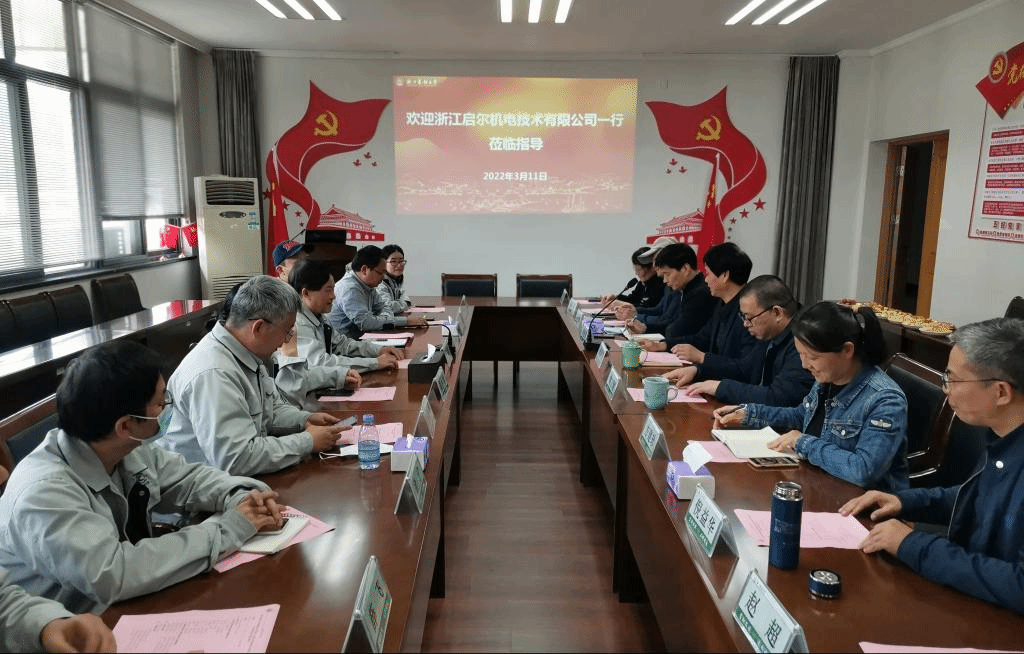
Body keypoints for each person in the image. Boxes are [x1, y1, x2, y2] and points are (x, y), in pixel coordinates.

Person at [0, 341, 285, 614]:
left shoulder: (122, 447)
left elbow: (190, 479)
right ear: (125, 425)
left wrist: (241, 495)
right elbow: (114, 574)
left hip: (132, 602)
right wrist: (228, 529)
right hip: (81, 624)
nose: (168, 407)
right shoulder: (43, 494)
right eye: (161, 402)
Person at [840, 317, 1024, 614]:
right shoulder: (1003, 436)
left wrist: (911, 544)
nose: (946, 390)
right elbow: (977, 497)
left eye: (953, 379)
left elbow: (1019, 585)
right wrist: (904, 502)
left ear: (1001, 392)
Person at [160, 275, 344, 476]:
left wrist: (305, 419)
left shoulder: (247, 353)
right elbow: (235, 459)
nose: (285, 341)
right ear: (259, 327)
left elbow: (270, 410)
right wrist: (307, 442)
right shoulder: (214, 373)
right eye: (287, 332)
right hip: (201, 488)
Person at [714, 301, 909, 490]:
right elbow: (801, 416)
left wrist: (802, 442)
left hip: (861, 504)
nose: (805, 365)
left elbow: (863, 470)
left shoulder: (885, 400)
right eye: (801, 354)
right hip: (819, 483)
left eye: (813, 357)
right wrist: (749, 414)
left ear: (847, 350)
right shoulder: (830, 376)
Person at [663, 274, 813, 406]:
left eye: (749, 317)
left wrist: (721, 388)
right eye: (744, 317)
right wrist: (698, 371)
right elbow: (745, 369)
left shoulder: (804, 341)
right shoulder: (771, 331)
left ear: (777, 313)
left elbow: (779, 398)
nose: (745, 324)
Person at [276, 258, 404, 406]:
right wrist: (374, 363)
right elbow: (322, 363)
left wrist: (378, 350)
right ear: (306, 293)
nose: (333, 296)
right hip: (300, 405)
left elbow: (343, 345)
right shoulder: (297, 324)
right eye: (328, 290)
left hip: (317, 394)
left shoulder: (318, 317)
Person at [642, 242, 758, 367]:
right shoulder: (722, 303)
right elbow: (702, 338)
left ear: (724, 275)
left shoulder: (751, 313)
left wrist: (702, 358)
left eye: (708, 273)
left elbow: (745, 368)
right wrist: (663, 345)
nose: (706, 279)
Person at [326, 245, 427, 337]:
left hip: (362, 338)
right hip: (345, 344)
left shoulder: (367, 285)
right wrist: (405, 322)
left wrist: (385, 319)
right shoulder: (350, 289)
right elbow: (366, 323)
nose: (383, 278)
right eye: (380, 273)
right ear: (364, 270)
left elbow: (384, 307)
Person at [629, 242, 718, 344]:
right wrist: (645, 328)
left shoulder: (699, 293)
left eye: (667, 274)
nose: (665, 281)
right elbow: (672, 323)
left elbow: (675, 331)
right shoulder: (686, 289)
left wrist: (661, 342)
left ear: (685, 269)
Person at [599, 246, 666, 310]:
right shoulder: (643, 283)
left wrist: (624, 305)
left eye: (639, 269)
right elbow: (633, 299)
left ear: (652, 267)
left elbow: (651, 308)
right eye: (635, 269)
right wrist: (616, 297)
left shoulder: (662, 284)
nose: (636, 273)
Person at [377, 244, 413, 314]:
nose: (399, 265)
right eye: (393, 261)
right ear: (383, 262)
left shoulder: (394, 279)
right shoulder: (379, 283)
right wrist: (405, 304)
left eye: (401, 261)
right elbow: (387, 307)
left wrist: (405, 302)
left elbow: (404, 296)